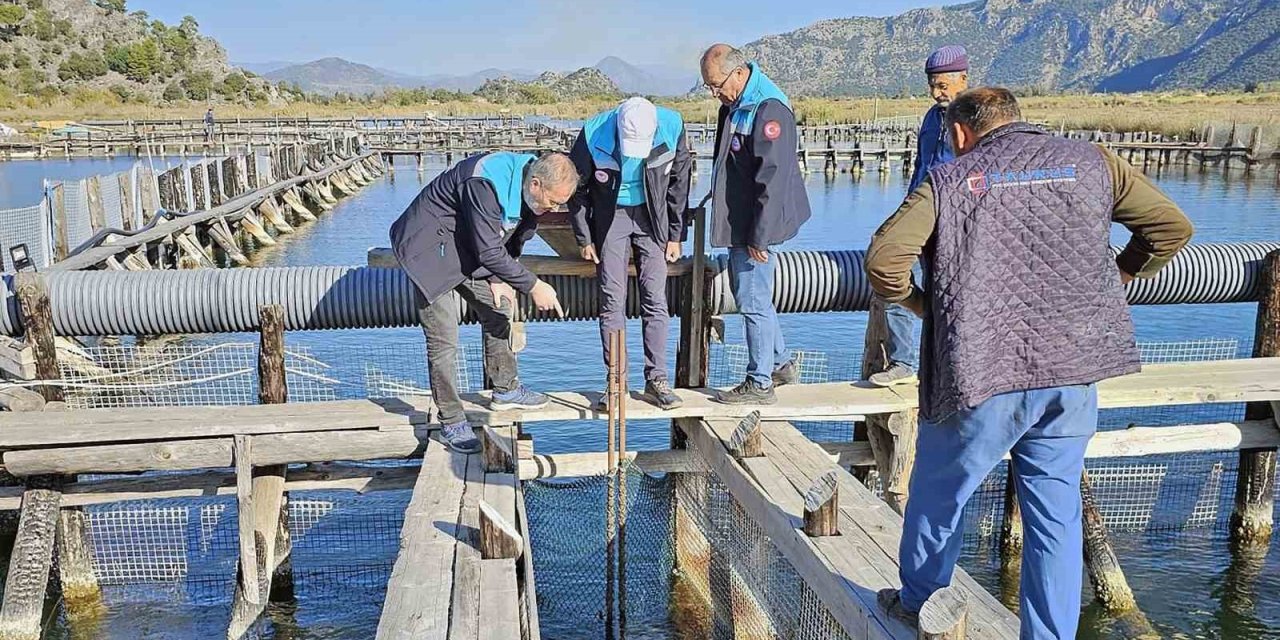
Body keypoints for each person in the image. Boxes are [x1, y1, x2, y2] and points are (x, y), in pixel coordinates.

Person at [867, 87, 1193, 638]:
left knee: (941, 494)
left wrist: (923, 306)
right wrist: (1120, 274)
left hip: (981, 371)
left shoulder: (949, 180)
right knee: (1055, 517)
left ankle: (918, 601)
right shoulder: (1095, 162)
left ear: (960, 133)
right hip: (1072, 370)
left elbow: (884, 260)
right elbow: (1171, 228)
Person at [390, 151, 579, 454]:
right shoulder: (484, 183)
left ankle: (505, 389)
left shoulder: (530, 191)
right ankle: (451, 420)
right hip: (428, 249)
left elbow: (511, 239)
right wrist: (533, 285)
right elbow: (489, 250)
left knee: (499, 307)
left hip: (466, 246)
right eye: (553, 201)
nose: (555, 209)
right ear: (535, 184)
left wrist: (498, 277)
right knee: (444, 340)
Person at [699, 44, 811, 405]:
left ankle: (760, 382)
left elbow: (773, 180)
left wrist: (759, 238)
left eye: (717, 85)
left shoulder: (768, 109)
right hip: (741, 217)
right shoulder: (735, 105)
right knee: (751, 293)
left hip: (757, 223)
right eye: (708, 87)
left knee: (751, 300)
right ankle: (779, 364)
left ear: (738, 73)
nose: (714, 94)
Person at [568, 97, 692, 410]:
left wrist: (675, 235)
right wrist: (584, 237)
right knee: (612, 300)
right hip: (611, 217)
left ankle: (657, 380)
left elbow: (679, 184)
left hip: (653, 216)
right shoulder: (593, 132)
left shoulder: (672, 125)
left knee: (656, 298)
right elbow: (576, 188)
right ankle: (616, 384)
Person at [871, 45, 969, 388]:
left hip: (954, 220)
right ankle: (903, 363)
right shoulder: (931, 117)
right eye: (932, 85)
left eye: (942, 86)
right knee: (895, 278)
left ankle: (950, 367)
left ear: (963, 79)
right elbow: (920, 166)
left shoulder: (974, 119)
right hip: (918, 213)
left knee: (949, 293)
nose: (936, 93)